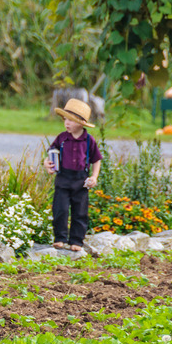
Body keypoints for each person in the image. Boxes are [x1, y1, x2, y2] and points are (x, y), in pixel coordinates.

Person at [43, 98, 102, 252]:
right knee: (60, 209)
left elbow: (96, 160)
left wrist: (94, 177)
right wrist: (47, 164)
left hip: (81, 181)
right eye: (65, 119)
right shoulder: (62, 138)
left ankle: (76, 240)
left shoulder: (89, 140)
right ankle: (60, 238)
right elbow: (50, 153)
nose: (66, 123)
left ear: (81, 123)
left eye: (71, 120)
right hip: (63, 179)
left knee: (80, 212)